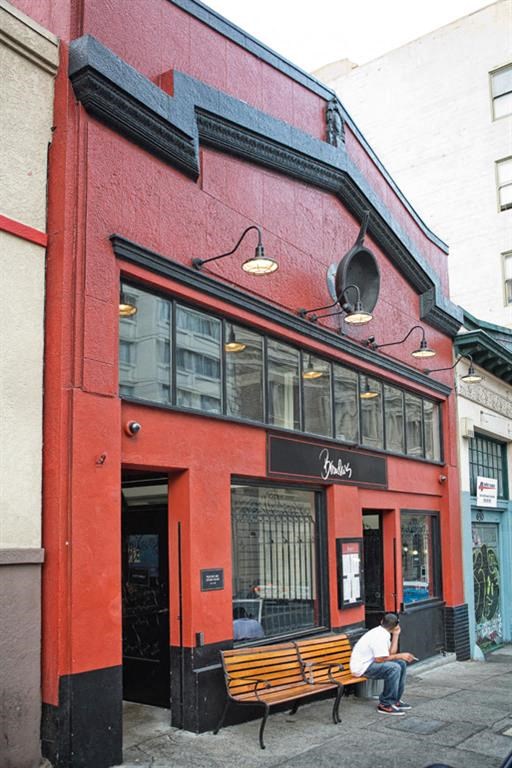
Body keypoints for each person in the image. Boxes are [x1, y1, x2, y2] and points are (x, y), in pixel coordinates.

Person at [349, 612, 416, 716]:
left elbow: (390, 654)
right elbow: (380, 659)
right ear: (395, 626)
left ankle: (395, 700)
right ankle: (385, 704)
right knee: (394, 667)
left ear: (381, 622)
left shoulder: (382, 632)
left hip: (369, 663)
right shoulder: (379, 636)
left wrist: (396, 634)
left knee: (401, 663)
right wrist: (400, 655)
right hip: (361, 668)